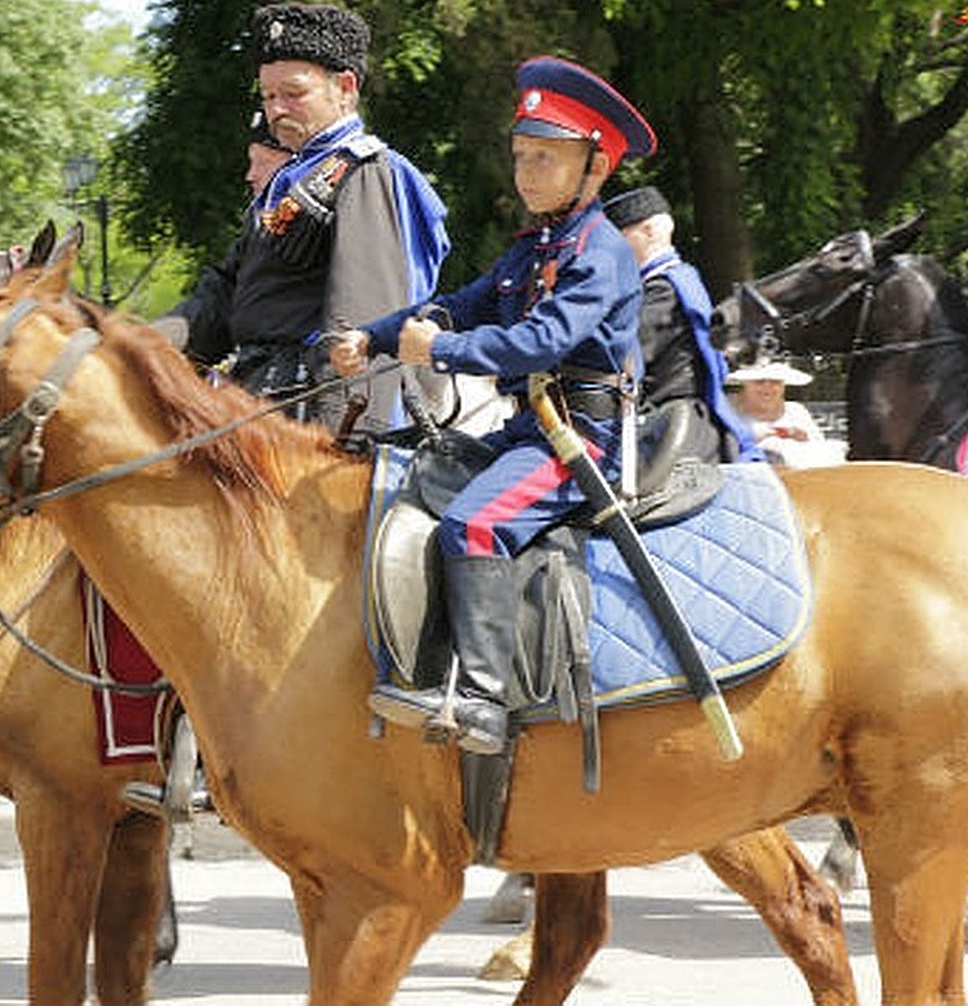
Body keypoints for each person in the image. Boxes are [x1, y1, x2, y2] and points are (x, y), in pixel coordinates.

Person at [332, 55, 656, 756]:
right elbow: (458, 306)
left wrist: (437, 353)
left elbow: (539, 343)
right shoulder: (536, 246)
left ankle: (481, 698)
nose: (527, 172)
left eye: (546, 157)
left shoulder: (599, 252)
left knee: (476, 527)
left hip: (580, 444)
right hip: (529, 429)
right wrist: (376, 335)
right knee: (405, 483)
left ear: (595, 169)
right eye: (521, 155)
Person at [161, 2, 451, 432]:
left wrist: (344, 443)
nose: (277, 110)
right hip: (254, 402)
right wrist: (132, 345)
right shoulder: (289, 181)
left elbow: (359, 327)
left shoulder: (366, 172)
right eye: (268, 96)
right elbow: (220, 301)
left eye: (293, 94)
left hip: (309, 420)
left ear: (346, 89)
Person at [603, 185, 760, 465]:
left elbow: (619, 358)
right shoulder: (683, 278)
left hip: (666, 423)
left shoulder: (662, 289)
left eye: (618, 237)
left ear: (649, 232)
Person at [727, 359, 845, 468]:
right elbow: (718, 451)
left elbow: (821, 451)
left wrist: (803, 438)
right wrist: (757, 438)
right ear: (745, 384)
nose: (767, 387)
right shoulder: (727, 410)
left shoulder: (796, 411)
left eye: (775, 382)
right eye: (759, 382)